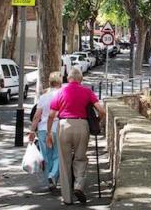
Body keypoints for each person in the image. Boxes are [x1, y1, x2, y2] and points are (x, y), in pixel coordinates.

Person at [46, 67, 105, 205]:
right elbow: (101, 110)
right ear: (81, 79)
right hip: (82, 125)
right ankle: (78, 185)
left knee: (64, 162)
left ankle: (67, 198)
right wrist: (97, 121)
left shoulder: (60, 92)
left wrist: (49, 133)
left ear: (68, 79)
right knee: (80, 158)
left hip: (64, 125)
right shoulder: (87, 91)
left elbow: (51, 115)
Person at [28, 71, 62, 190]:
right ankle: (53, 175)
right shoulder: (62, 95)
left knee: (46, 156)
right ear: (60, 81)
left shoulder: (43, 97)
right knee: (58, 155)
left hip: (43, 129)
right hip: (58, 128)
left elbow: (37, 116)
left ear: (50, 82)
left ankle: (50, 178)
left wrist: (32, 131)